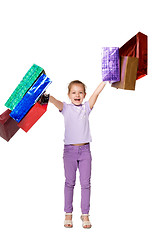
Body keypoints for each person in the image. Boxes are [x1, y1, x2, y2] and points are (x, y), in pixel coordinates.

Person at [49, 80, 106, 228]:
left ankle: (85, 214)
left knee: (86, 184)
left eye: (80, 92)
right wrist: (48, 97)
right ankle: (68, 214)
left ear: (84, 95)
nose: (77, 95)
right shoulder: (66, 108)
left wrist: (105, 80)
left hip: (85, 152)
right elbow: (55, 102)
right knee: (69, 183)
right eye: (73, 92)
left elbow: (96, 93)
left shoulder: (86, 108)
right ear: (68, 95)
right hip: (69, 152)